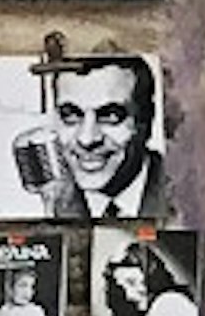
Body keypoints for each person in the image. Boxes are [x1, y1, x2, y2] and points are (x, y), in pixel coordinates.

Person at [42, 52, 165, 220]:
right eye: (71, 115)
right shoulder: (49, 201)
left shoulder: (189, 197)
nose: (87, 139)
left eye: (110, 116)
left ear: (146, 119)